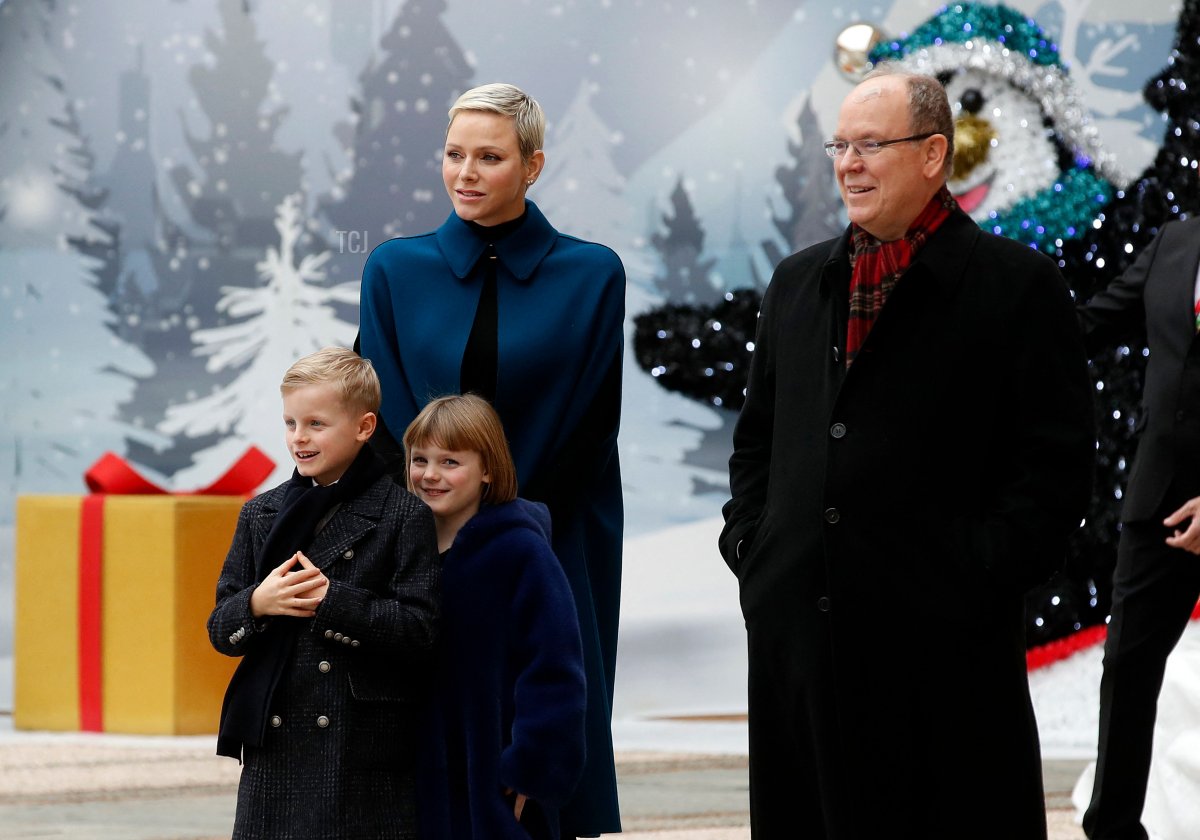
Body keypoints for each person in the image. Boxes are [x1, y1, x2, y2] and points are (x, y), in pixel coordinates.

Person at [718, 68, 1095, 838]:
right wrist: (754, 550)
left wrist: (977, 572)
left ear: (932, 156)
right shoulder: (797, 283)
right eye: (840, 145)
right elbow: (756, 442)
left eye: (871, 145)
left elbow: (1054, 470)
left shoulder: (1015, 287)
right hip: (801, 645)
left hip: (943, 656)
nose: (848, 163)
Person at [357, 82, 625, 837]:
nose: (465, 172)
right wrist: (434, 528)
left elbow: (586, 424)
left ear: (533, 166)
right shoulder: (393, 270)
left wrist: (504, 530)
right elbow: (384, 421)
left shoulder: (593, 274)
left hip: (553, 532)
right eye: (453, 154)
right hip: (421, 537)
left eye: (490, 157)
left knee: (539, 724)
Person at [207, 346, 439, 840]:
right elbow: (220, 630)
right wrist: (257, 604)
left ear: (364, 427)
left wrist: (333, 602)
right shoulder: (261, 514)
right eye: (290, 423)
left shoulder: (403, 515)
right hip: (275, 747)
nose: (299, 438)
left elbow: (420, 631)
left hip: (362, 752)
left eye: (316, 423)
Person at [404, 394, 586, 840]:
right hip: (411, 778)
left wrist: (530, 767)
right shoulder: (403, 548)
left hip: (491, 778)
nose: (430, 474)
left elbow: (555, 667)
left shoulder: (521, 553)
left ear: (487, 468)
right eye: (420, 459)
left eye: (450, 462)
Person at [1078, 217, 1200, 840]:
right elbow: (1087, 326)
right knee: (1127, 668)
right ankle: (1113, 828)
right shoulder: (1174, 243)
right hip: (1159, 500)